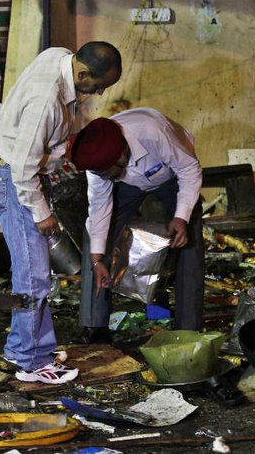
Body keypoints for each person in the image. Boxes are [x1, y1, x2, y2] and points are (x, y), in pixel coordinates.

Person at [0, 42, 122, 384]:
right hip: (15, 182)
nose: (99, 92)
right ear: (82, 72)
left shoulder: (57, 55)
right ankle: (27, 358)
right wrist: (42, 212)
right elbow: (22, 169)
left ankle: (36, 350)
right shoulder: (45, 101)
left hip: (21, 174)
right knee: (33, 275)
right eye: (99, 85)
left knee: (36, 271)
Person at [68, 108, 205, 342]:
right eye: (106, 176)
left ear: (122, 153)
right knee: (96, 236)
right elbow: (100, 208)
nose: (112, 177)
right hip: (131, 187)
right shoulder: (98, 165)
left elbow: (189, 170)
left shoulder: (154, 132)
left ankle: (188, 329)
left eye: (113, 172)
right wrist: (98, 259)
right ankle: (95, 325)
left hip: (171, 175)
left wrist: (181, 217)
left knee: (188, 236)